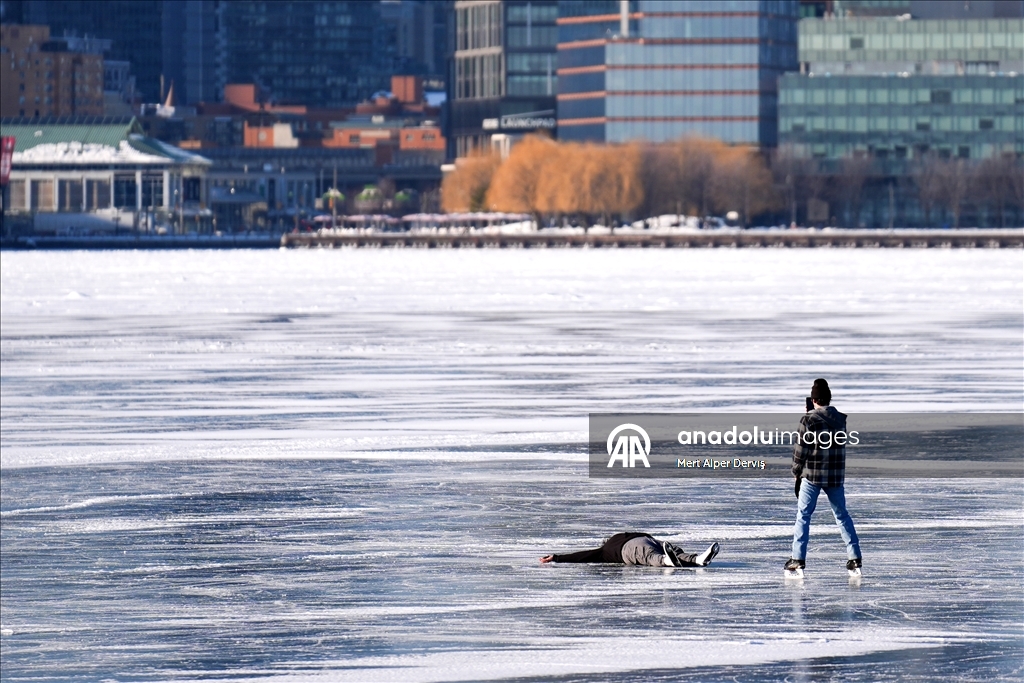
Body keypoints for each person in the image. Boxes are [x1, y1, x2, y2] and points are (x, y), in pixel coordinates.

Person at [785, 378, 862, 576]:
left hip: (812, 475)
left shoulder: (808, 420)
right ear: (829, 398)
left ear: (813, 399)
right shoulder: (840, 419)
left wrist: (795, 473)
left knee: (803, 515)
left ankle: (798, 559)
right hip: (835, 476)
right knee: (842, 515)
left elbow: (801, 450)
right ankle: (854, 557)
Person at [540, 532, 720, 568]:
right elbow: (584, 555)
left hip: (633, 548)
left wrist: (557, 557)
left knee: (649, 557)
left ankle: (671, 560)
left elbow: (584, 555)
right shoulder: (610, 545)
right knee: (674, 553)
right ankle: (696, 559)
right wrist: (557, 557)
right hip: (651, 540)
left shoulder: (605, 550)